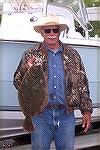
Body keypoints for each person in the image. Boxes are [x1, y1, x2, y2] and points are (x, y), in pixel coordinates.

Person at [13, 15, 93, 150]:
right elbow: (17, 82)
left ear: (59, 32)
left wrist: (86, 111)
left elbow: (82, 84)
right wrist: (26, 68)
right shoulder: (30, 54)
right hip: (40, 116)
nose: (51, 34)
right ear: (42, 32)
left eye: (54, 30)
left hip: (66, 116)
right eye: (47, 31)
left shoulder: (73, 55)